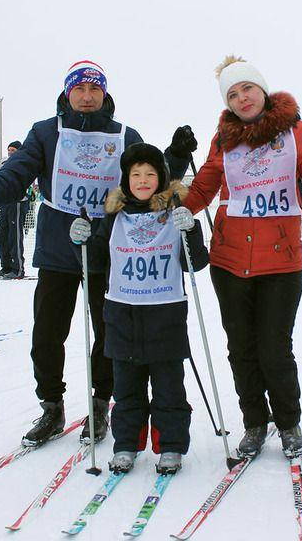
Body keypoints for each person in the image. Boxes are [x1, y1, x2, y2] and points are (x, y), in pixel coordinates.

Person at [0, 60, 196, 446]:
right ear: (67, 93)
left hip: (107, 246)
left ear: (104, 94)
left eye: (94, 90)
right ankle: (51, 405)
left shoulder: (123, 134)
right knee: (48, 332)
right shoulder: (45, 132)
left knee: (109, 331)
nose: (86, 97)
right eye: (79, 90)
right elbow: (17, 172)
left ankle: (101, 402)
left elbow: (148, 176)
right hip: (58, 245)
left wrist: (177, 156)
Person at [173, 56, 302, 459]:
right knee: (240, 348)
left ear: (262, 90)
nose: (242, 97)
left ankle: (288, 421)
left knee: (274, 347)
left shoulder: (297, 130)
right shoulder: (223, 139)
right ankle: (254, 422)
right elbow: (205, 185)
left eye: (247, 88)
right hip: (229, 262)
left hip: (281, 260)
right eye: (233, 93)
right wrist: (180, 205)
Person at [70, 143, 208, 474]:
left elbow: (197, 262)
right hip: (123, 315)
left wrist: (191, 230)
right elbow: (96, 263)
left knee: (169, 387)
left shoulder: (174, 215)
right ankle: (126, 444)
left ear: (161, 177)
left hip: (166, 315)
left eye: (150, 174)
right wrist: (82, 242)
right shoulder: (114, 218)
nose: (143, 180)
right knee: (126, 388)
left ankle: (171, 445)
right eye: (136, 175)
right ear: (126, 180)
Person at [0, 141, 32, 279]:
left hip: (18, 202)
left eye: (13, 150)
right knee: (2, 237)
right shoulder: (6, 165)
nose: (10, 152)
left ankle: (18, 268)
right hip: (6, 203)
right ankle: (6, 266)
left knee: (15, 236)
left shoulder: (23, 163)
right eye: (9, 150)